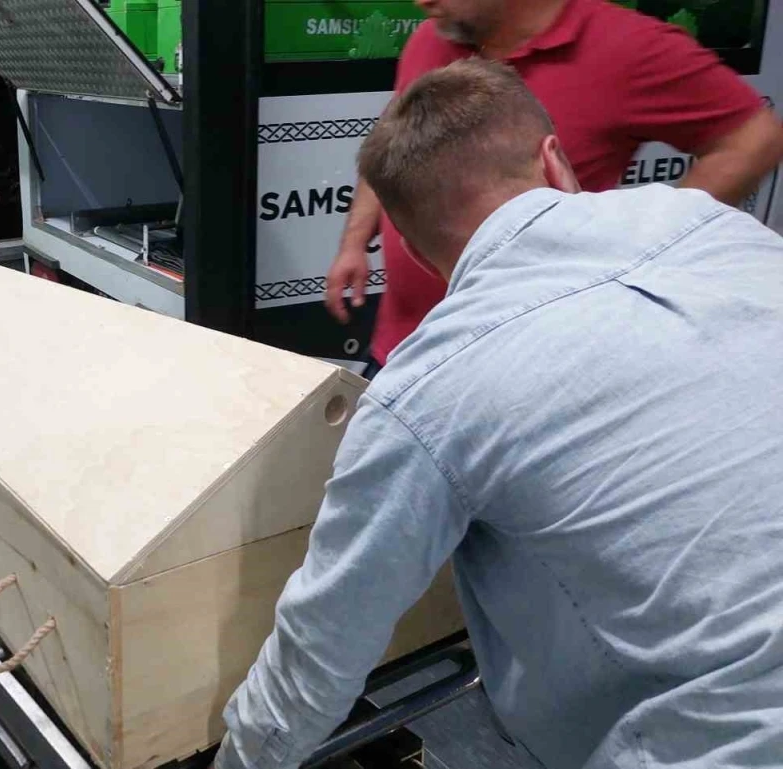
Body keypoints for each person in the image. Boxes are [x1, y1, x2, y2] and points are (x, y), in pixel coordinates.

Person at [214, 59, 783, 769]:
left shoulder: (432, 389)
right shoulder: (727, 231)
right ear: (556, 160)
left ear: (415, 252)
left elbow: (318, 653)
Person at [324, 0, 783, 378]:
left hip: (525, 370)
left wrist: (647, 244)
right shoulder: (435, 35)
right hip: (403, 349)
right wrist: (354, 241)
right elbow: (395, 140)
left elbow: (753, 139)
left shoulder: (627, 47)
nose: (421, 1)